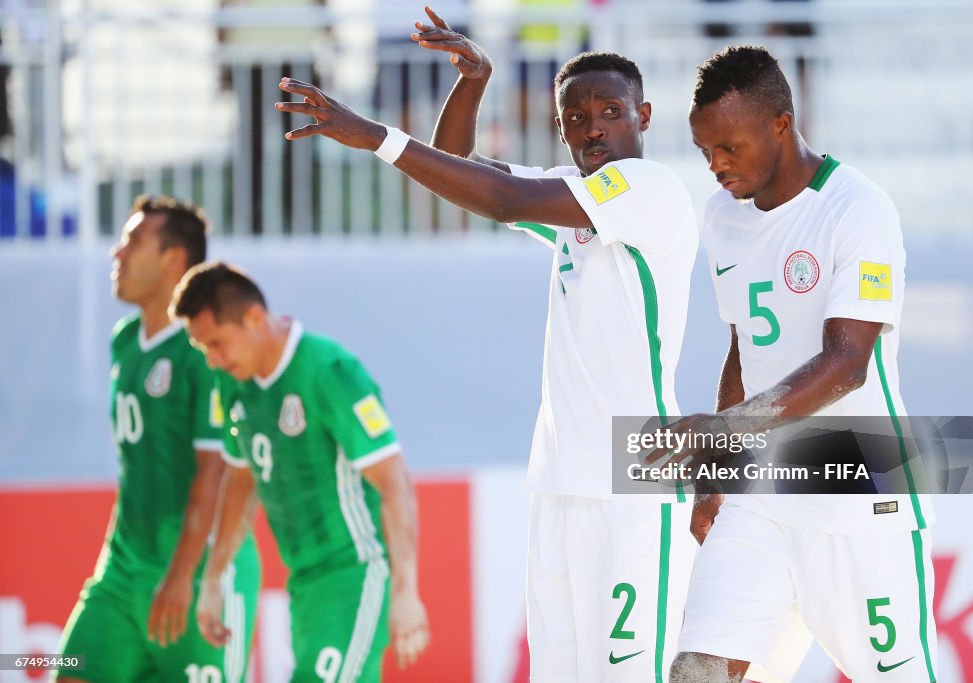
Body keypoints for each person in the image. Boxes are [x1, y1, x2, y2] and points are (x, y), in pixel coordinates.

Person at [277, 8, 700, 679]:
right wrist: (473, 83)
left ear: (644, 116)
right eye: (577, 116)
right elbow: (465, 175)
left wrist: (374, 136)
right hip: (559, 482)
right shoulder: (575, 194)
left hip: (636, 481)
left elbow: (501, 199)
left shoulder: (651, 189)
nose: (594, 127)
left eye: (610, 111)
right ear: (560, 127)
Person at [664, 46, 937, 682]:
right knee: (697, 673)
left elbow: (847, 364)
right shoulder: (721, 218)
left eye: (730, 147)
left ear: (782, 123)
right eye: (705, 151)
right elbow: (742, 346)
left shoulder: (856, 208)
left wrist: (721, 430)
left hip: (861, 490)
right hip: (763, 494)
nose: (716, 165)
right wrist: (716, 473)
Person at [171, 262, 430, 682]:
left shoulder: (329, 370)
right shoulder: (233, 381)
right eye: (204, 350)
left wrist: (406, 593)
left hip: (356, 571)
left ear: (254, 318)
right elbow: (240, 480)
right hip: (305, 583)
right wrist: (214, 578)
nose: (213, 361)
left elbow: (394, 482)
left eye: (217, 343)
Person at [55, 197, 260, 683]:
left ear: (173, 260)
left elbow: (214, 472)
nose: (117, 254)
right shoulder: (124, 340)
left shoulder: (206, 354)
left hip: (196, 575)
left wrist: (179, 578)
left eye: (132, 241)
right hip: (121, 575)